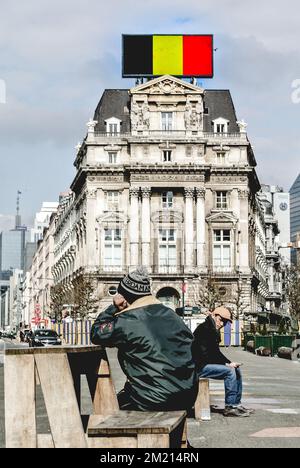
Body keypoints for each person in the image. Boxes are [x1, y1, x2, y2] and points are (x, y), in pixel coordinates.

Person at [91, 267, 198, 412]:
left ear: (125, 297)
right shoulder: (173, 316)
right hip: (188, 396)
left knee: (107, 410)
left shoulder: (126, 321)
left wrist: (113, 308)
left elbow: (96, 334)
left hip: (154, 399)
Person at [192, 306, 253, 417]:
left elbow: (216, 353)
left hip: (204, 364)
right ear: (214, 316)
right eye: (221, 320)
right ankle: (230, 406)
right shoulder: (204, 329)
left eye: (225, 322)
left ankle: (236, 404)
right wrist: (226, 364)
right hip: (198, 367)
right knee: (229, 372)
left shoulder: (212, 329)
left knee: (235, 369)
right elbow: (206, 354)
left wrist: (230, 363)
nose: (222, 324)